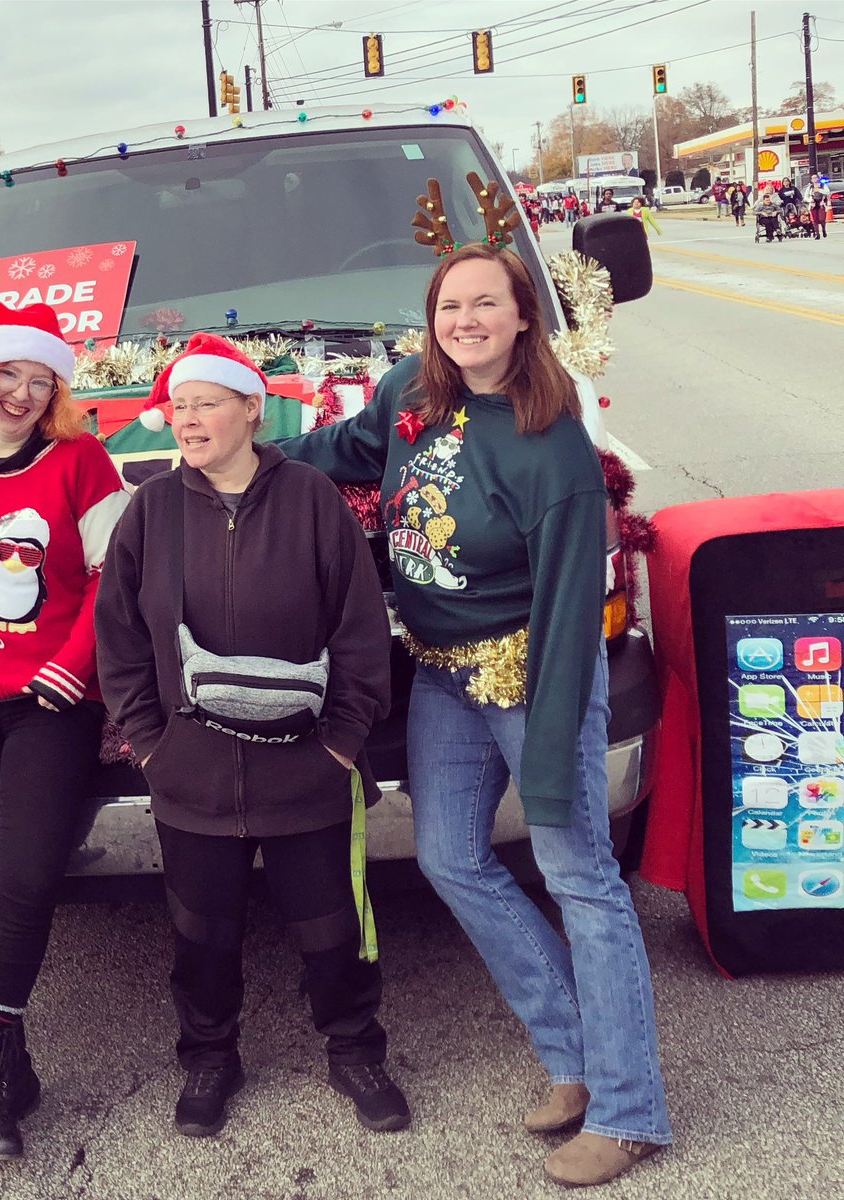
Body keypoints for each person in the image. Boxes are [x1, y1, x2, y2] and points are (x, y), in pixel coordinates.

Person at [279, 243, 672, 1187]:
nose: (465, 321)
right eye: (450, 305)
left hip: (534, 675)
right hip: (445, 676)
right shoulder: (414, 393)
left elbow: (576, 612)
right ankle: (576, 1059)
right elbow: (345, 451)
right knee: (453, 858)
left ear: (523, 316)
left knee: (580, 876)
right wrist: (253, 452)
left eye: (484, 305)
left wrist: (549, 752)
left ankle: (631, 1111)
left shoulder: (553, 445)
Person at [95, 334, 410, 1140]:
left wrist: (342, 742)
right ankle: (208, 1056)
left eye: (206, 403)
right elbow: (121, 637)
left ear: (249, 408)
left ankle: (354, 1050)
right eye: (179, 406)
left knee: (332, 925)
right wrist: (149, 741)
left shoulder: (312, 500)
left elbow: (361, 632)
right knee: (201, 931)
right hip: (192, 775)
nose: (189, 420)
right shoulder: (151, 511)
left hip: (309, 772)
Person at [0, 301, 129, 1161]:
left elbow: (118, 577)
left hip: (49, 699)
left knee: (28, 878)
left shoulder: (81, 460)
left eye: (43, 381)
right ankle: (10, 1069)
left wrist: (76, 666)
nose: (24, 394)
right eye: (11, 374)